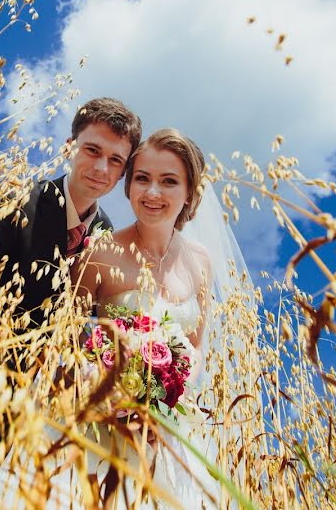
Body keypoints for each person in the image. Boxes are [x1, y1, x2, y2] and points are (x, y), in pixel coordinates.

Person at [0, 98, 142, 494]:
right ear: (69, 147)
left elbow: (100, 327)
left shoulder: (110, 237)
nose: (102, 168)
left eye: (116, 160)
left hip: (54, 410)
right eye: (92, 150)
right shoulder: (14, 198)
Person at [72, 128, 232, 509]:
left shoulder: (201, 262)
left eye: (168, 181)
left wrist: (167, 404)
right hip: (101, 426)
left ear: (190, 194)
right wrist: (113, 399)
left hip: (171, 432)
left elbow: (193, 349)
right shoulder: (100, 252)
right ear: (128, 187)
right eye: (142, 179)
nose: (152, 192)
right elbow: (68, 342)